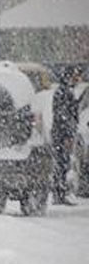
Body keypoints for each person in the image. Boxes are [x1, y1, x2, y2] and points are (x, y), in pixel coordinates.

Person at [50, 66, 80, 205]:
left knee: (62, 163)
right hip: (61, 134)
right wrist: (67, 135)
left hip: (60, 133)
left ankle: (59, 193)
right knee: (62, 163)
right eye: (73, 75)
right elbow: (63, 116)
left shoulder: (64, 92)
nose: (76, 78)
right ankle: (59, 193)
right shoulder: (64, 93)